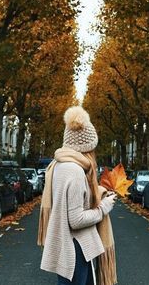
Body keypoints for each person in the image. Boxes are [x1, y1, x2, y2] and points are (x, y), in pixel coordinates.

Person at [38, 106, 117, 285]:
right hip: (75, 249)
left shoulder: (58, 165)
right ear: (87, 147)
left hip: (70, 245)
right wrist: (104, 207)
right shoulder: (74, 171)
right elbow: (76, 219)